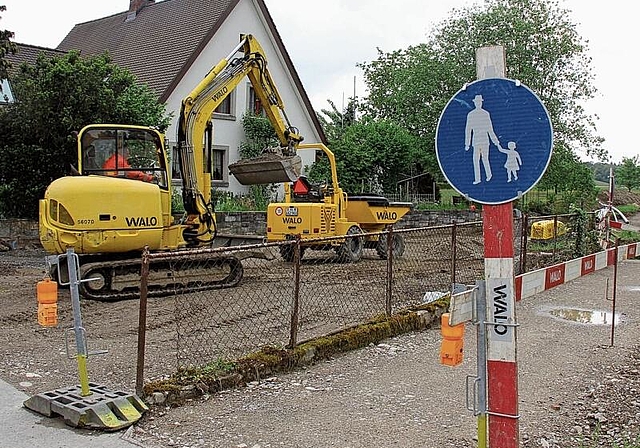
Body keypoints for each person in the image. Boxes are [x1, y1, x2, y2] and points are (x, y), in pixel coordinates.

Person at [464, 94, 503, 185]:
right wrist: (467, 144)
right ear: (475, 103)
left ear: (481, 103)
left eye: (480, 102)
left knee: (485, 159)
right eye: (477, 102)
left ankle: (489, 175)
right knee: (476, 160)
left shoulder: (486, 114)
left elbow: (490, 129)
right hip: (476, 141)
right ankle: (478, 179)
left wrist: (496, 142)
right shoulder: (471, 114)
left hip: (485, 140)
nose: (479, 103)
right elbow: (468, 130)